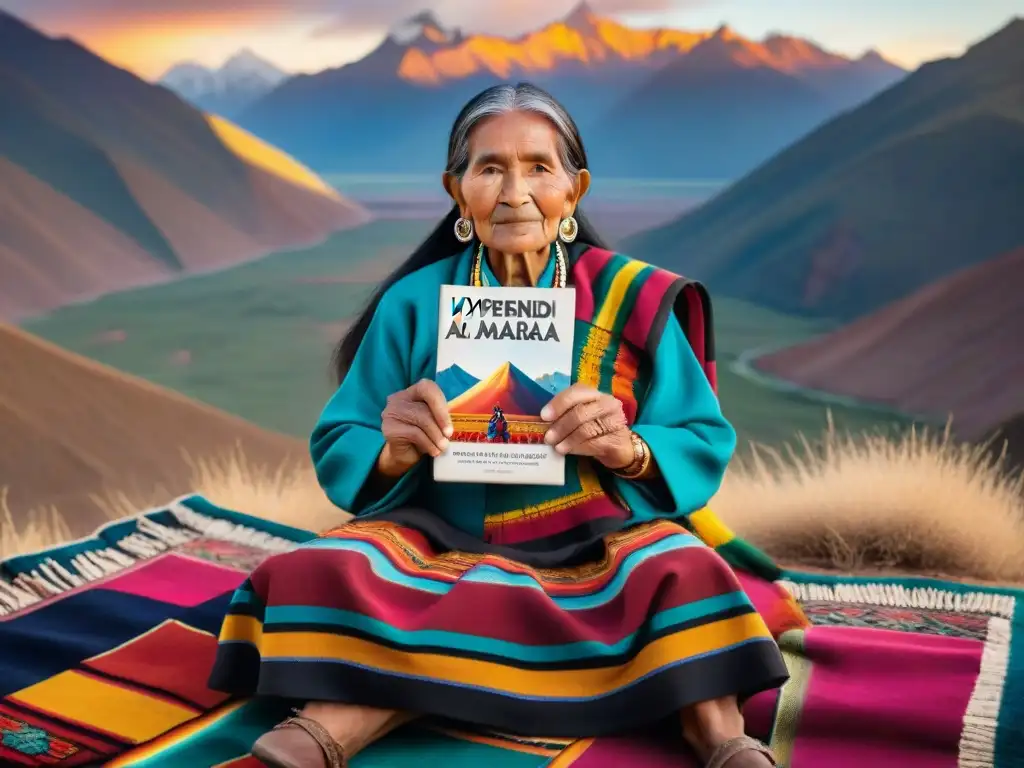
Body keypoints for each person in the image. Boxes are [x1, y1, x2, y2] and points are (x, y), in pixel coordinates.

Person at [209, 82, 807, 768]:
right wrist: (393, 450)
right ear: (456, 190)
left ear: (574, 190)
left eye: (538, 168)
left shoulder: (634, 299)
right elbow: (342, 438)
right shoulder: (414, 302)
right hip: (434, 538)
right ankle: (343, 721)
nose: (514, 191)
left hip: (599, 542)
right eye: (489, 167)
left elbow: (701, 436)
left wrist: (630, 448)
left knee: (683, 571)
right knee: (323, 566)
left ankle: (717, 731)